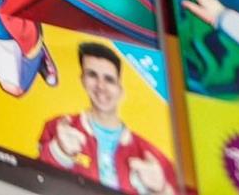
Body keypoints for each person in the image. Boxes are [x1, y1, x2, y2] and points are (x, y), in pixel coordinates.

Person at [37, 42, 175, 194]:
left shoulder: (152, 157)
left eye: (109, 79)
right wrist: (60, 153)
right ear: (82, 80)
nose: (100, 86)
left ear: (121, 88)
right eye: (92, 75)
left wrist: (161, 190)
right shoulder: (58, 128)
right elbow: (34, 183)